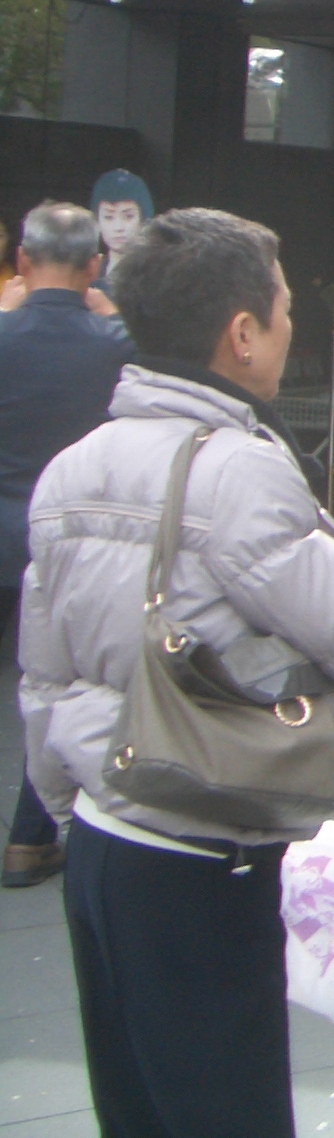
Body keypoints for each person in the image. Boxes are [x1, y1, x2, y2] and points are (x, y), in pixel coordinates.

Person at [19, 207, 334, 1137]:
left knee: (136, 1110)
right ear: (241, 333)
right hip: (204, 855)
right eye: (284, 311)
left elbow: (43, 677)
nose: (289, 329)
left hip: (106, 843)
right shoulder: (240, 471)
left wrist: (75, 810)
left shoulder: (72, 467)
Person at [1, 204, 134, 889]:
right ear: (95, 265)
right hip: (72, 544)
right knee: (58, 687)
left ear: (22, 260)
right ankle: (30, 838)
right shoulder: (114, 343)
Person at [88, 168, 153, 292]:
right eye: (108, 217)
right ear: (97, 221)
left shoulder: (157, 274)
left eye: (128, 216)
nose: (118, 227)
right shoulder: (88, 273)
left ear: (144, 220)